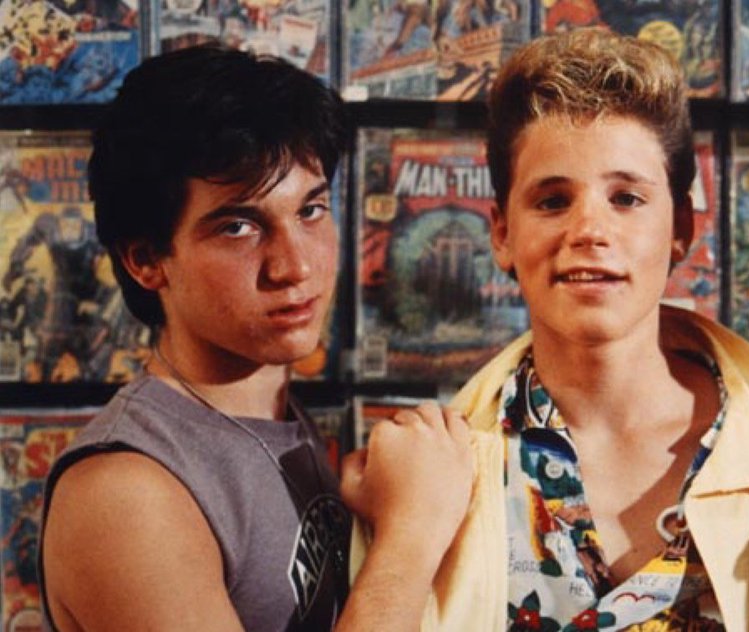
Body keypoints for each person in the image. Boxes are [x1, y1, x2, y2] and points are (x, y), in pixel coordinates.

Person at [354, 28, 749, 629]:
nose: (589, 230)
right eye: (552, 201)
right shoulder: (424, 470)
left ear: (682, 228)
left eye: (626, 198)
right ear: (502, 234)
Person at [37, 45, 472, 631]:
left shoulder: (272, 414)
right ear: (146, 260)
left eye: (310, 211)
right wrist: (411, 532)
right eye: (239, 227)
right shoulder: (122, 493)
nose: (295, 266)